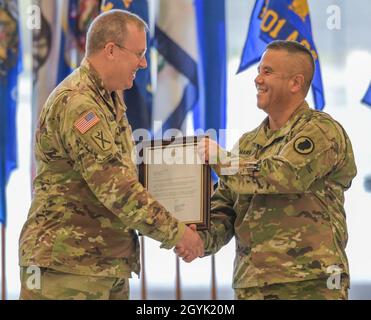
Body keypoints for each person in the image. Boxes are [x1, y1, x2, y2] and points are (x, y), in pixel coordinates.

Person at [19, 9, 203, 300]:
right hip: (68, 267)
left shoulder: (105, 99)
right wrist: (179, 234)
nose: (144, 63)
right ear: (111, 51)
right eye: (139, 53)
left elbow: (125, 177)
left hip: (101, 263)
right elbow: (118, 189)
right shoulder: (80, 104)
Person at [177, 40, 357, 300]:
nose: (258, 79)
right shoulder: (249, 143)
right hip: (252, 284)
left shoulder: (321, 130)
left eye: (268, 72)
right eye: (259, 71)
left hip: (310, 283)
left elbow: (286, 176)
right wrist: (195, 239)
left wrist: (223, 160)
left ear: (295, 83)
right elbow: (225, 208)